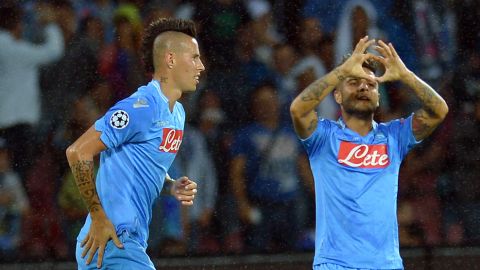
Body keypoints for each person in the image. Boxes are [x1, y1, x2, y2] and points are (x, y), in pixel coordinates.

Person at [289, 36, 448, 269]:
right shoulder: (324, 137)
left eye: (371, 84)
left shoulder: (394, 137)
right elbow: (298, 110)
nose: (364, 86)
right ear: (338, 95)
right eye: (353, 82)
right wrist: (340, 72)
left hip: (386, 264)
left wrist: (405, 76)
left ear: (377, 97)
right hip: (335, 264)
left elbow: (438, 110)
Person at [66, 18, 205, 269]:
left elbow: (141, 167)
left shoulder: (178, 115)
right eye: (194, 58)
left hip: (124, 243)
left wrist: (170, 187)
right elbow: (78, 152)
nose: (201, 66)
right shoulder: (140, 107)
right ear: (171, 60)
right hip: (112, 241)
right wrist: (98, 217)